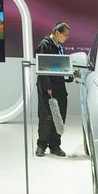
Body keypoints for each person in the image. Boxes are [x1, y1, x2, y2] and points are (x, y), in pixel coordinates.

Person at [35, 22, 71, 157]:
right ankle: (41, 145)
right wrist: (47, 87)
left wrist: (69, 76)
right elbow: (42, 67)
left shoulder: (59, 47)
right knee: (46, 117)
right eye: (65, 35)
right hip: (48, 88)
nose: (66, 38)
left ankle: (55, 145)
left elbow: (60, 67)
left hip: (60, 87)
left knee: (60, 116)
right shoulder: (44, 45)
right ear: (56, 32)